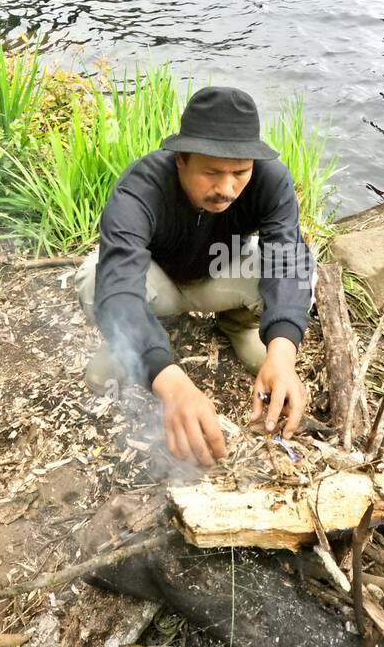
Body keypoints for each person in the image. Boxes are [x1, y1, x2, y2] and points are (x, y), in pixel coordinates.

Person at [75, 86, 315, 467]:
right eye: (211, 172)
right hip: (161, 283)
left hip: (220, 273)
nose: (226, 188)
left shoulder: (270, 180)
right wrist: (169, 382)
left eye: (240, 172)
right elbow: (119, 284)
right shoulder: (140, 188)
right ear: (179, 160)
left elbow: (286, 261)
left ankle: (238, 324)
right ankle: (136, 346)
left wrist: (283, 353)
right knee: (94, 277)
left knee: (303, 262)